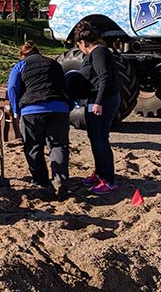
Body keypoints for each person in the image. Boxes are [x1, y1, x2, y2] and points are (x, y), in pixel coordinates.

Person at [7, 41, 71, 197]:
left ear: (23, 55)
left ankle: (40, 181)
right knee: (58, 145)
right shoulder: (54, 64)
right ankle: (59, 180)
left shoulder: (20, 65)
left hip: (32, 109)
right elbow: (63, 84)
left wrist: (16, 110)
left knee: (33, 146)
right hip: (59, 107)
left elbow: (12, 88)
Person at [74, 22, 121, 195]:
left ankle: (109, 180)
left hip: (103, 101)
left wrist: (99, 102)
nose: (80, 50)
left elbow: (104, 78)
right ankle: (100, 173)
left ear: (83, 43)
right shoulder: (94, 54)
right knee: (94, 137)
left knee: (101, 139)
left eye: (79, 46)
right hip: (93, 100)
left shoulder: (99, 52)